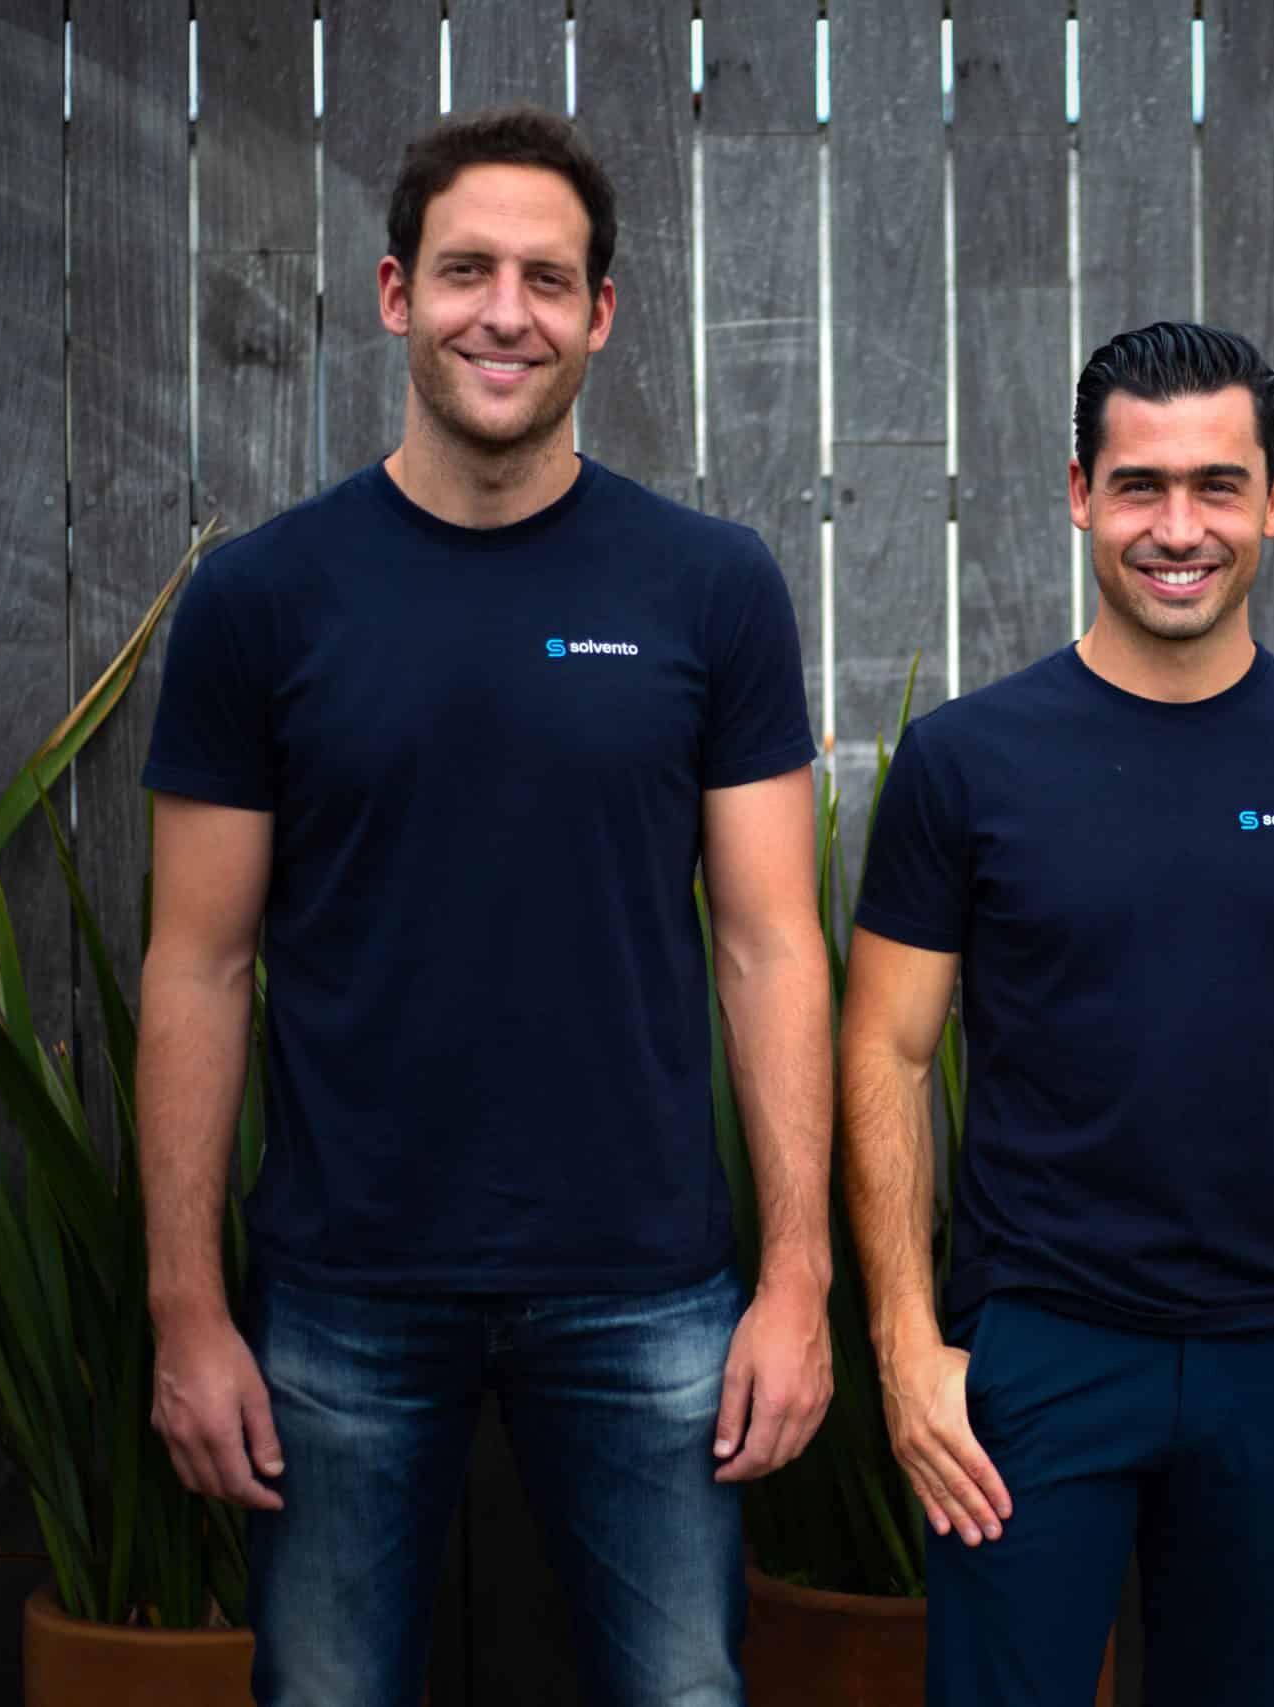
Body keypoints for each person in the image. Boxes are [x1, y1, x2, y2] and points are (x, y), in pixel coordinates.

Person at [136, 106, 834, 1707]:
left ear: (602, 313)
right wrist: (186, 1307)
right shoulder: (262, 599)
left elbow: (771, 944)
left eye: (546, 278)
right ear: (397, 293)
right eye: (466, 271)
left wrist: (797, 1281)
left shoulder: (711, 586)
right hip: (343, 1291)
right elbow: (197, 963)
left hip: (648, 1284)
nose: (503, 312)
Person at [837, 322, 1274, 1706]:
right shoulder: (965, 762)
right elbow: (884, 1048)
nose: (1178, 529)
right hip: (1035, 1352)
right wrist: (906, 1350)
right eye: (1140, 486)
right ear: (1081, 494)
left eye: (1217, 485)